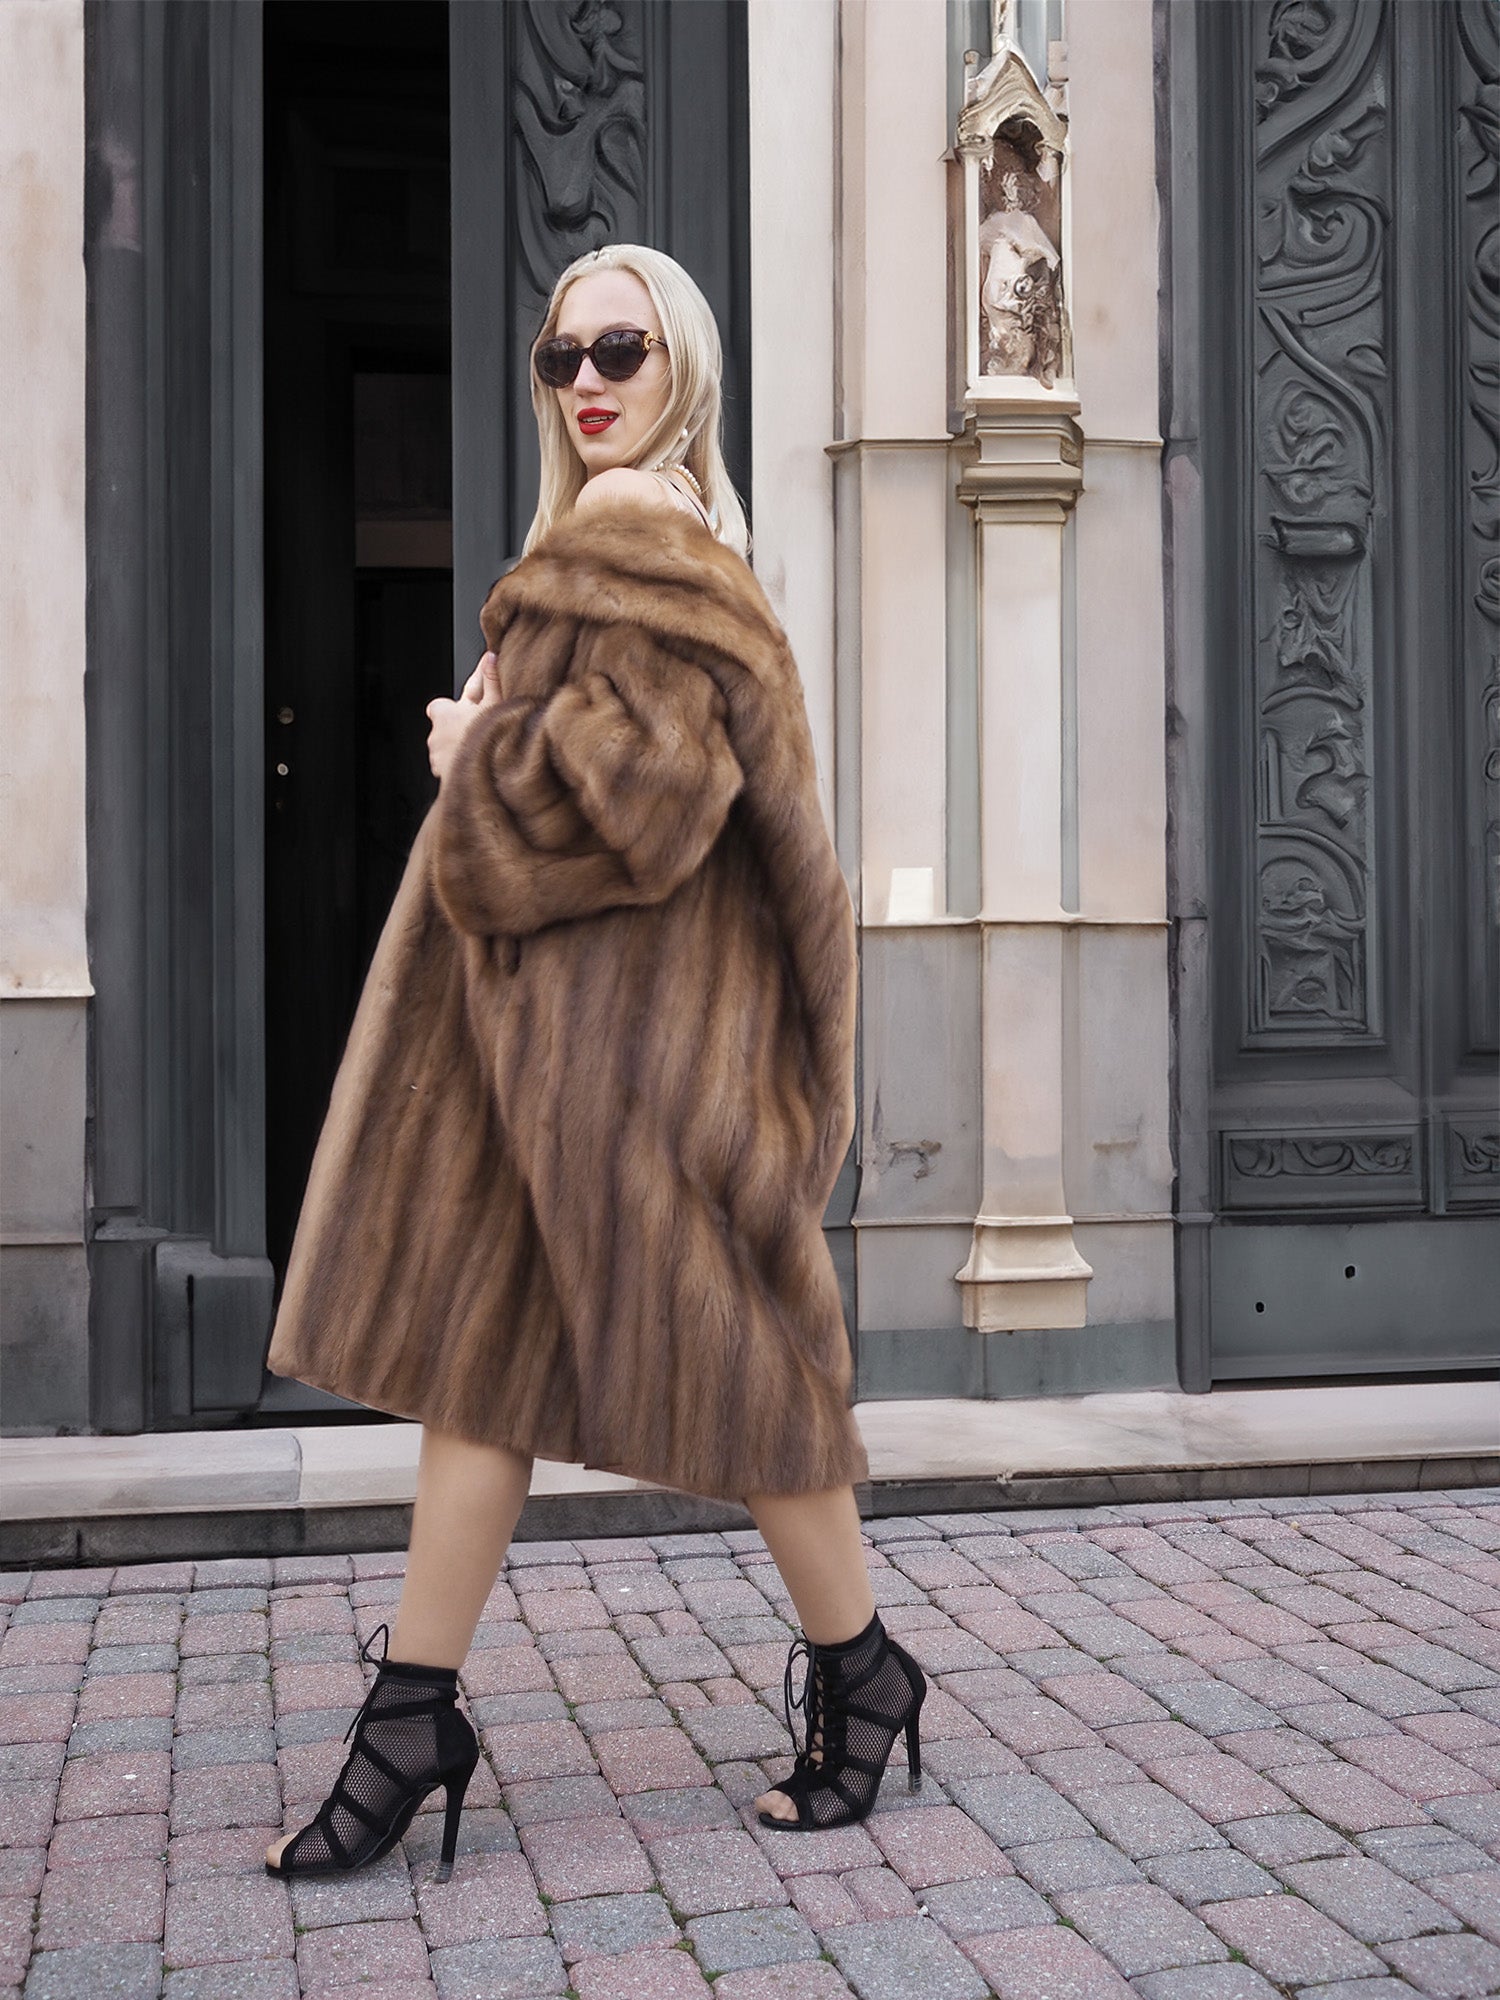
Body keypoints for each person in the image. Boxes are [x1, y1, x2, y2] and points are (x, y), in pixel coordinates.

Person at [262, 243, 928, 1879]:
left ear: (681, 364)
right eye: (562, 355)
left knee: (753, 1383)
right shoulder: (630, 535)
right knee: (491, 1377)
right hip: (563, 1062)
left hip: (629, 1075)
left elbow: (636, 801)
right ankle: (413, 1713)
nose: (587, 380)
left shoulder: (637, 533)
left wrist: (473, 756)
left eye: (620, 347)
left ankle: (865, 1672)